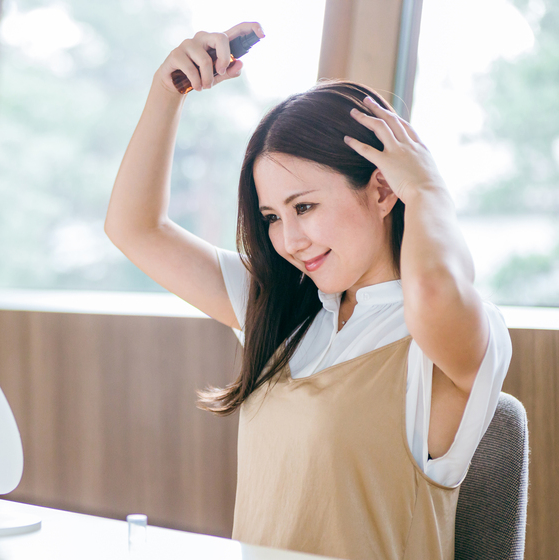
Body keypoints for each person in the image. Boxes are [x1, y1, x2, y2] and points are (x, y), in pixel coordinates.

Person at [104, 21, 512, 560]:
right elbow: (134, 228)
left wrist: (430, 189)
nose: (288, 240)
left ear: (384, 188)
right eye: (273, 216)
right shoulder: (283, 311)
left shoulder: (437, 339)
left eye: (305, 207)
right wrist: (167, 90)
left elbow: (434, 289)